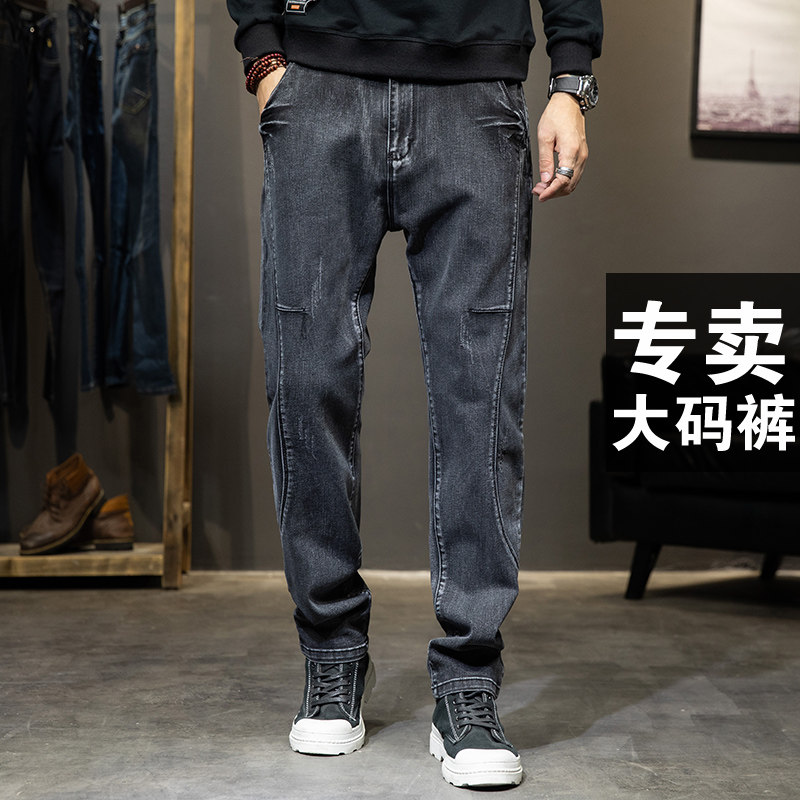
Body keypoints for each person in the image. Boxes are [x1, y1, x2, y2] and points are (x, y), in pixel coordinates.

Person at [226, 0, 602, 788]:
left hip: (477, 94)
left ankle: (468, 680)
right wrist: (264, 55)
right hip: (320, 86)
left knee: (481, 395)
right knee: (306, 380)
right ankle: (332, 655)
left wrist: (572, 80)